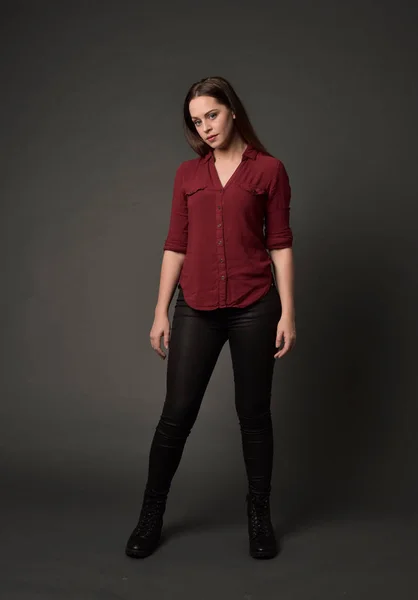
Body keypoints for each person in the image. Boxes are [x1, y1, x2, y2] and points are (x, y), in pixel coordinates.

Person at [125, 76, 296, 560]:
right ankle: (151, 514)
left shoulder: (269, 171)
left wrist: (289, 312)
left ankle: (259, 517)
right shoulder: (187, 175)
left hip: (255, 306)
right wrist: (160, 311)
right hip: (196, 307)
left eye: (212, 115)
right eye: (197, 122)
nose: (205, 128)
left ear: (232, 111)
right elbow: (175, 244)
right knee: (175, 415)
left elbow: (280, 243)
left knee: (254, 415)